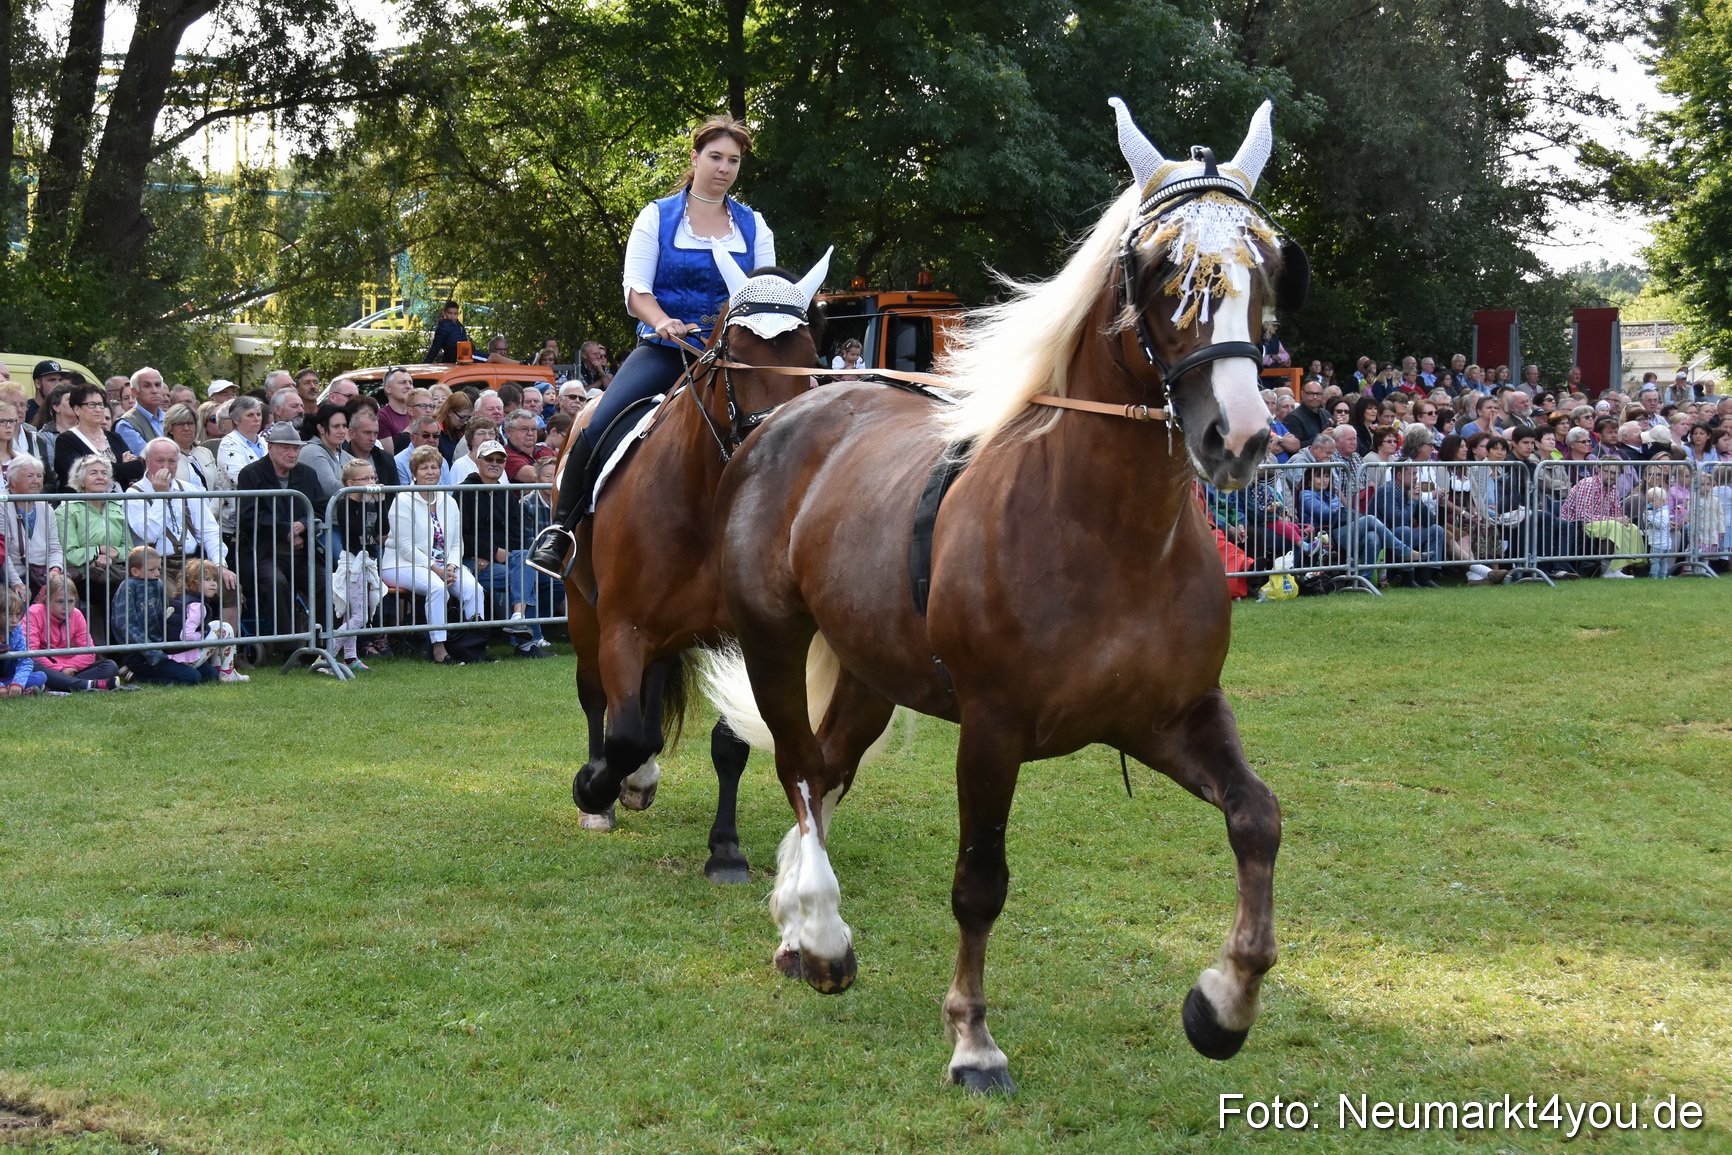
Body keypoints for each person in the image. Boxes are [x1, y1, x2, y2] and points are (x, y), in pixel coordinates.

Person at [529, 114, 775, 575]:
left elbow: (761, 291)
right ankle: (561, 529)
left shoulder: (754, 225)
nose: (724, 168)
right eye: (716, 157)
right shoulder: (656, 216)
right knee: (598, 421)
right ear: (695, 158)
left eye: (734, 161)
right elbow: (635, 289)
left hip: (732, 357)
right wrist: (662, 321)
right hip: (666, 350)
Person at [381, 445, 485, 665]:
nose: (430, 472)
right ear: (414, 474)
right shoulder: (403, 500)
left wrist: (452, 566)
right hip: (400, 564)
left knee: (473, 589)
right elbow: (405, 547)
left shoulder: (449, 501)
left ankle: (473, 648)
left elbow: (456, 542)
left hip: (442, 565)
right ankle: (439, 649)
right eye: (424, 468)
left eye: (435, 467)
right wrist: (435, 568)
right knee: (436, 587)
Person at [235, 423, 328, 644]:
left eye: (296, 448)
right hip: (265, 551)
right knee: (276, 582)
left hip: (302, 551)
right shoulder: (251, 474)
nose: (292, 453)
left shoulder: (307, 474)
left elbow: (322, 508)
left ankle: (323, 642)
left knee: (325, 581)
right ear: (271, 448)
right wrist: (285, 528)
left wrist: (304, 524)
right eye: (286, 448)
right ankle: (288, 645)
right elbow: (248, 516)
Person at [456, 440, 540, 657]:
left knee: (526, 559)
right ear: (478, 461)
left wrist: (502, 554)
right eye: (490, 459)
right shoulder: (463, 492)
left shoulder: (505, 493)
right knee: (524, 578)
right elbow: (460, 534)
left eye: (500, 460)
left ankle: (518, 620)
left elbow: (518, 533)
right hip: (472, 561)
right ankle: (526, 644)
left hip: (502, 561)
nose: (495, 464)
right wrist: (491, 552)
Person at [330, 458, 387, 671]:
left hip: (368, 561)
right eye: (365, 478)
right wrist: (362, 500)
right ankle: (327, 655)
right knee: (359, 617)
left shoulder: (372, 500)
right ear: (351, 483)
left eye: (373, 477)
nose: (371, 482)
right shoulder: (345, 502)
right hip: (353, 563)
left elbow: (383, 530)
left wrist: (380, 502)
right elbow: (354, 529)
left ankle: (350, 658)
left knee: (354, 614)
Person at [24, 572, 121, 691]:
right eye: (60, 602)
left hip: (72, 668)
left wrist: (67, 668)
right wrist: (59, 670)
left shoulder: (77, 614)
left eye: (70, 601)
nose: (66, 607)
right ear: (47, 600)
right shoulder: (34, 613)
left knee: (110, 665)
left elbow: (89, 651)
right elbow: (31, 653)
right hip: (47, 667)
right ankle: (86, 685)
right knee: (31, 663)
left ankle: (57, 686)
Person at [166, 558, 247, 682]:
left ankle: (219, 668)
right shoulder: (197, 606)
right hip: (183, 657)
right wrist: (203, 636)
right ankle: (228, 673)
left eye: (214, 580)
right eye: (207, 580)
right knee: (225, 629)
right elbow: (186, 636)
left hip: (175, 655)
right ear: (193, 582)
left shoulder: (183, 599)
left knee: (216, 625)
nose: (214, 584)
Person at [53, 384, 144, 492]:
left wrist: (104, 469)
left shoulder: (114, 437)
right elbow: (80, 472)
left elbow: (137, 468)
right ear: (77, 409)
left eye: (100, 404)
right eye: (92, 405)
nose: (98, 409)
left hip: (118, 505)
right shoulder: (66, 440)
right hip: (82, 505)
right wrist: (122, 468)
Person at [2, 456, 64, 598]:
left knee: (64, 596)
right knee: (17, 600)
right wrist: (17, 583)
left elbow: (55, 547)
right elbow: (3, 553)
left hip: (42, 575)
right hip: (12, 576)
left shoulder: (46, 508)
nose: (36, 481)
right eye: (30, 476)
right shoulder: (2, 505)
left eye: (39, 476)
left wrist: (55, 570)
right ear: (13, 480)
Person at [1, 587, 47, 696]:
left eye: (17, 614)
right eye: (9, 615)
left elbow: (25, 660)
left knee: (41, 676)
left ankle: (13, 690)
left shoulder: (17, 631)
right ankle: (19, 691)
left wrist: (18, 683)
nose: (14, 620)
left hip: (8, 677)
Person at [342, 403, 400, 488]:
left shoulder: (386, 459)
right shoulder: (341, 460)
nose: (372, 438)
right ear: (352, 433)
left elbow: (394, 495)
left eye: (375, 433)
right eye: (367, 433)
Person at [115, 367, 169, 457]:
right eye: (147, 386)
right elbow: (149, 458)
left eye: (158, 385)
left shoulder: (170, 418)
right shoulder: (126, 424)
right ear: (134, 392)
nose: (154, 391)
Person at [298, 404, 350, 496]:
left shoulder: (348, 456)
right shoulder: (311, 451)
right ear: (320, 428)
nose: (342, 431)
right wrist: (361, 488)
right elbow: (331, 488)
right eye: (336, 426)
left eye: (344, 426)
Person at [396, 417, 451, 485]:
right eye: (426, 435)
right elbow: (402, 493)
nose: (431, 440)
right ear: (413, 438)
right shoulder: (398, 462)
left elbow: (448, 492)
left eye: (435, 436)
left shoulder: (443, 462)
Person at [376, 367, 416, 450]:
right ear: (388, 389)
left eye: (410, 382)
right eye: (402, 382)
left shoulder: (415, 413)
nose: (408, 386)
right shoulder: (382, 417)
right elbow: (389, 456)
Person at [434, 392, 471, 462]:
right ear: (450, 412)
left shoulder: (463, 431)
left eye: (468, 417)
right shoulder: (435, 432)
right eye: (462, 417)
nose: (465, 422)